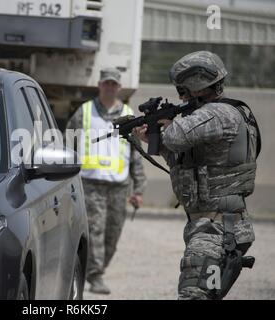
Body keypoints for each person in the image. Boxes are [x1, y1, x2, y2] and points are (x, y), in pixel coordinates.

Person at [134, 51, 260, 299]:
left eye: (183, 89)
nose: (181, 96)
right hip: (211, 226)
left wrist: (165, 123)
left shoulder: (217, 113)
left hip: (217, 228)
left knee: (194, 294)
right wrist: (154, 142)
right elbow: (186, 162)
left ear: (196, 84)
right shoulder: (217, 115)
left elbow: (176, 136)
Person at [67, 68, 147, 294]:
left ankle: (97, 269)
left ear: (119, 87)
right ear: (99, 85)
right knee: (95, 229)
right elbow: (67, 146)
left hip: (119, 187)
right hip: (91, 184)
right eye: (106, 83)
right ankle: (94, 275)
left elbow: (136, 155)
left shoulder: (130, 115)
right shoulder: (84, 112)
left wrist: (139, 189)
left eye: (114, 84)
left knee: (113, 233)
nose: (110, 87)